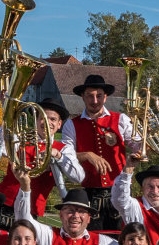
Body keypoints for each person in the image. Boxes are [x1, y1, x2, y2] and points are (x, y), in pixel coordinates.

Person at [61, 73, 142, 232]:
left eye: (99, 96)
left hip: (119, 191)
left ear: (105, 97)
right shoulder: (71, 124)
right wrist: (86, 155)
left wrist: (144, 142)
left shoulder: (121, 119)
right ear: (83, 97)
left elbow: (138, 146)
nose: (95, 100)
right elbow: (64, 156)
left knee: (123, 239)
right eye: (90, 96)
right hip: (90, 193)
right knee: (93, 241)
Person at [0, 100, 87, 219]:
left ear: (59, 124)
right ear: (36, 121)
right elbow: (1, 149)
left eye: (53, 119)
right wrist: (7, 115)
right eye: (43, 118)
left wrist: (58, 155)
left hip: (32, 210)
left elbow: (78, 177)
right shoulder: (20, 138)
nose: (47, 122)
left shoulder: (64, 149)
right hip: (5, 203)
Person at [111, 162, 159, 245]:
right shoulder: (134, 207)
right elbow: (119, 198)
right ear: (142, 189)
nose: (155, 191)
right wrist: (129, 168)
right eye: (150, 187)